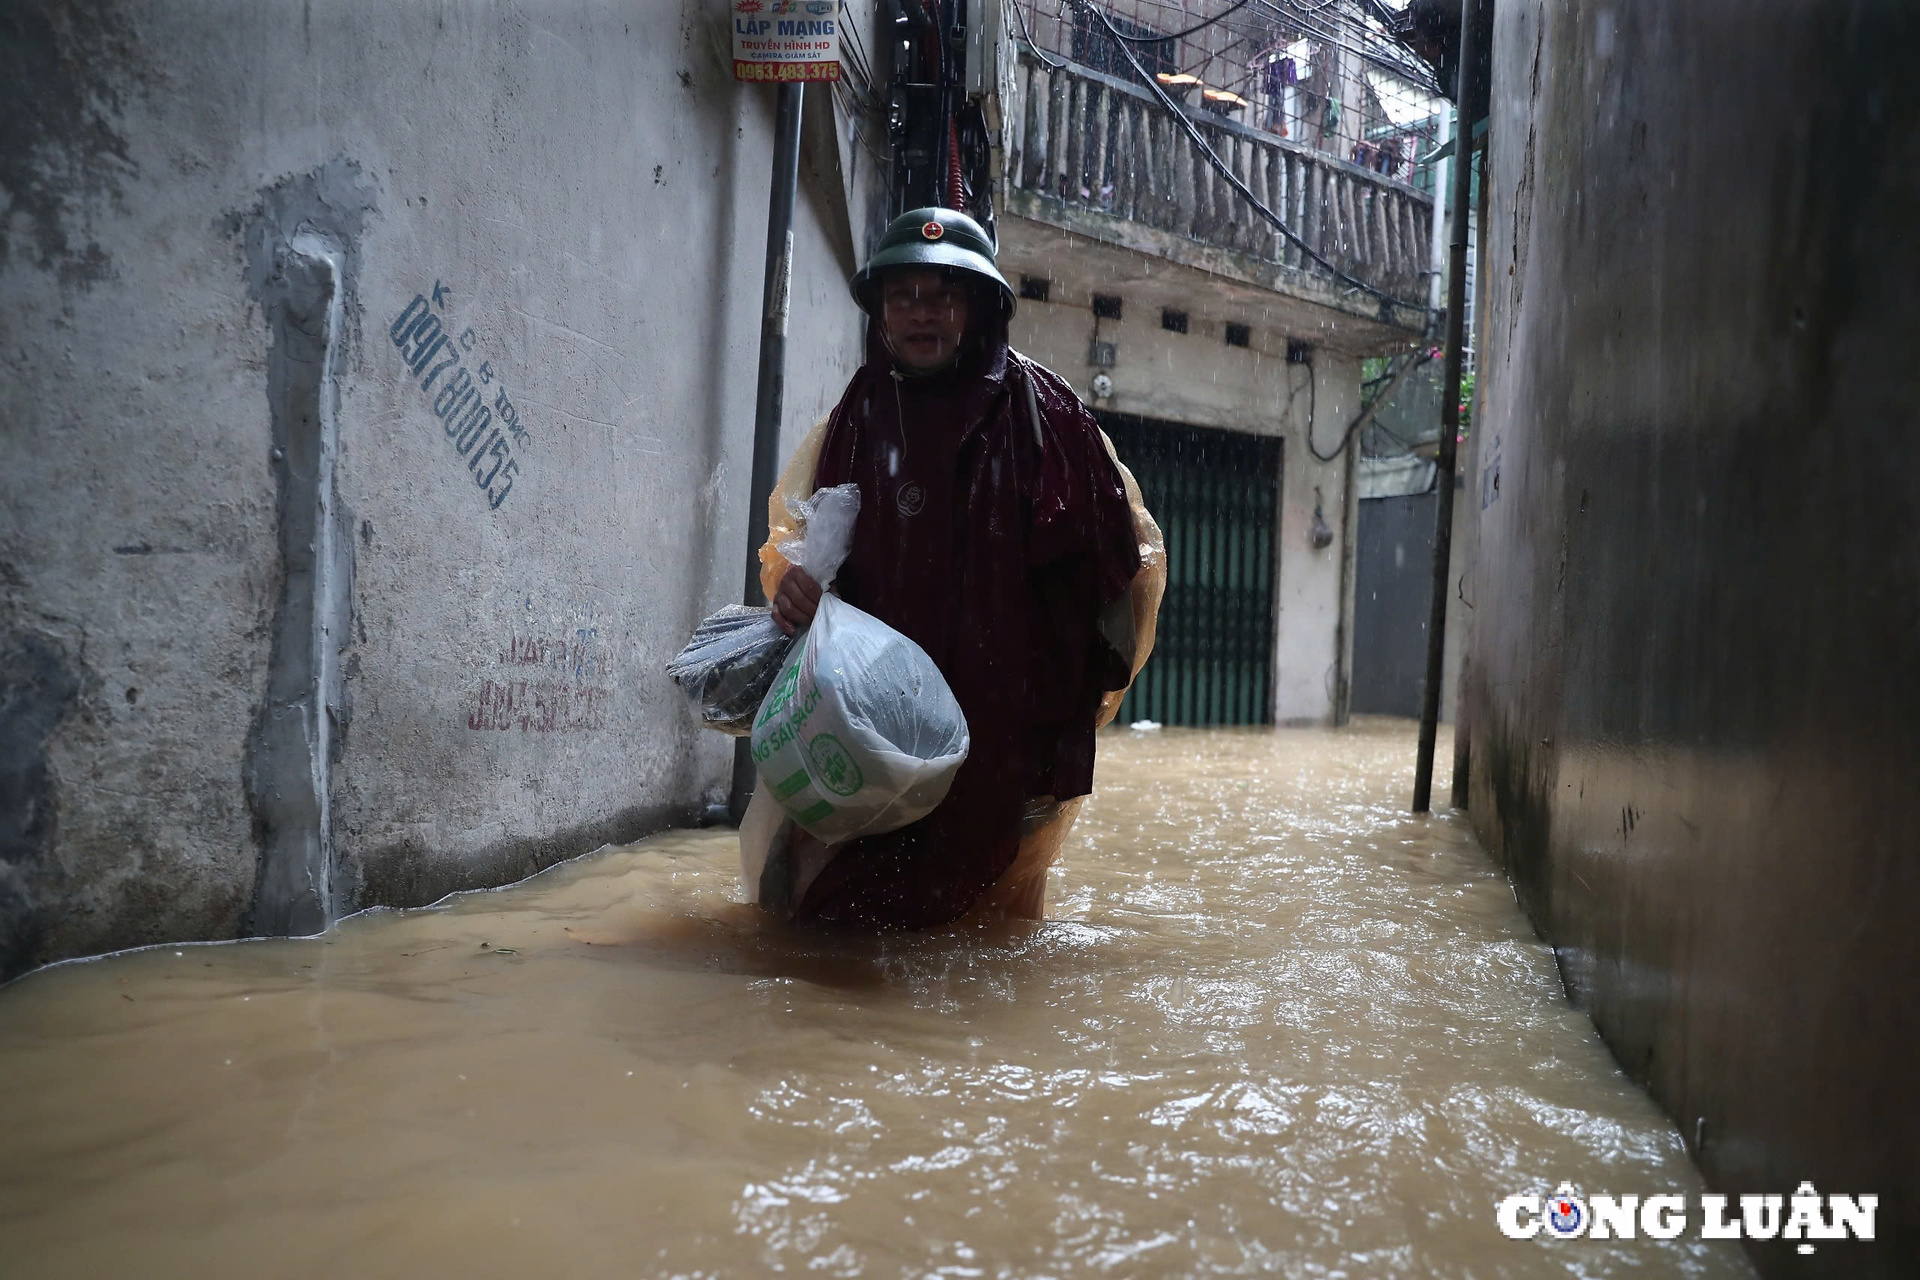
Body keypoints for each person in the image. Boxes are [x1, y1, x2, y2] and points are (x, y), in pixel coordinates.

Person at [754, 207, 1161, 930]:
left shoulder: (1050, 417)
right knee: (822, 928)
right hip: (865, 733)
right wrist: (793, 590)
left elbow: (1125, 583)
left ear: (978, 309)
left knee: (982, 935)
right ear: (880, 309)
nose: (921, 314)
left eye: (943, 295)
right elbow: (797, 541)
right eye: (903, 296)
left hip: (1002, 747)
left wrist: (1063, 728)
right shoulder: (853, 418)